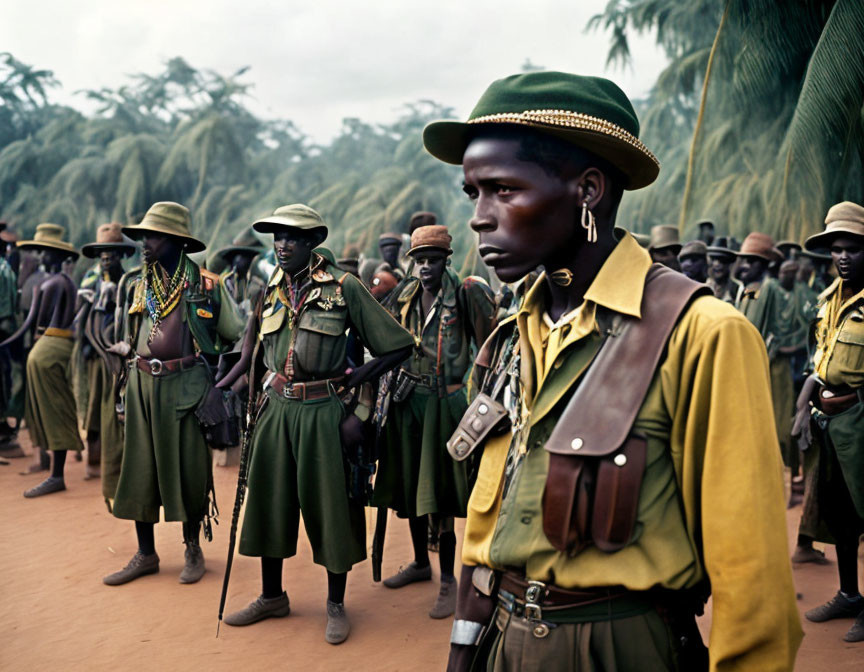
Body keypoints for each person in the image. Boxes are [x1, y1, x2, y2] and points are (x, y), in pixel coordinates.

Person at [421, 70, 801, 670]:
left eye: (503, 190)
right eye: (474, 194)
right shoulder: (515, 332)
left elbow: (750, 578)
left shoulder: (701, 335)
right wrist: (465, 649)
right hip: (503, 640)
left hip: (620, 648)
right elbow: (485, 527)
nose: (479, 217)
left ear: (588, 190)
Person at [217, 204, 415, 644]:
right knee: (269, 502)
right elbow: (254, 353)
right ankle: (272, 596)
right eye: (277, 237)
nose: (282, 245)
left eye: (292, 238)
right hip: (274, 409)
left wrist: (356, 388)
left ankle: (336, 604)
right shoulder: (269, 287)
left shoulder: (345, 288)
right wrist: (236, 394)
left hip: (323, 410)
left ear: (312, 243)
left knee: (331, 508)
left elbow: (398, 346)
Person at [102, 202, 244, 586]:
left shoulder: (207, 285)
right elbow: (133, 336)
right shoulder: (139, 284)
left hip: (187, 385)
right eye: (144, 235)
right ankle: (145, 554)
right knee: (139, 468)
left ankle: (192, 547)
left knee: (189, 469)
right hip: (143, 385)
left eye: (153, 236)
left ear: (177, 241)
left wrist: (219, 388)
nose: (144, 243)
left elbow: (238, 338)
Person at [372, 224, 496, 619]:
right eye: (419, 260)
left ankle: (447, 579)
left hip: (446, 403)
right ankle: (419, 564)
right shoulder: (405, 293)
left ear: (446, 260)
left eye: (432, 260)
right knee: (411, 488)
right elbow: (386, 340)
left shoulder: (467, 291)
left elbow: (490, 345)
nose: (425, 268)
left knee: (440, 495)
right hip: (408, 401)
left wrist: (480, 399)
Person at [795, 202, 864, 643]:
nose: (842, 257)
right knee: (839, 514)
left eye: (853, 249)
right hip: (830, 423)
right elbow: (818, 361)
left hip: (859, 419)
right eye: (836, 249)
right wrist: (805, 405)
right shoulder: (828, 300)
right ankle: (849, 594)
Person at [0, 224, 84, 496]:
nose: (39, 257)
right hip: (58, 346)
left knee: (51, 408)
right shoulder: (67, 282)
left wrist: (8, 341)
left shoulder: (51, 283)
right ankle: (52, 469)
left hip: (48, 348)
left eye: (44, 252)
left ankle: (56, 475)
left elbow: (32, 324)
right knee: (52, 406)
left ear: (54, 255)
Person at [78, 223, 136, 502]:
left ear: (121, 254)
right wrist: (85, 343)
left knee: (113, 408)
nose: (106, 257)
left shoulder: (129, 283)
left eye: (111, 252)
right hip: (94, 355)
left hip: (117, 357)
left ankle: (116, 467)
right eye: (102, 252)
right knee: (93, 407)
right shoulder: (92, 281)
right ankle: (93, 460)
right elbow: (84, 317)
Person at [736, 233, 799, 478]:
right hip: (751, 366)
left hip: (772, 367)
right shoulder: (749, 290)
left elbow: (777, 328)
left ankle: (786, 477)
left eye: (751, 262)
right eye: (743, 261)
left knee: (778, 422)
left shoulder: (769, 288)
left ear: (763, 265)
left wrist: (770, 352)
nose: (744, 266)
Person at [706, 238, 743, 304]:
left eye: (722, 261)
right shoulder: (703, 287)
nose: (717, 264)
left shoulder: (736, 288)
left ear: (729, 263)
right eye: (713, 260)